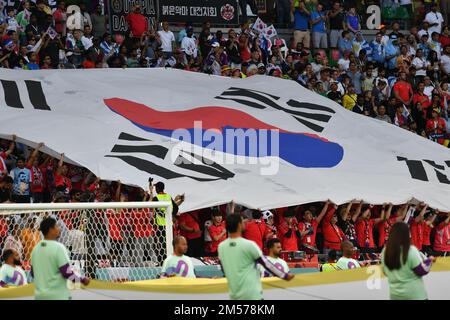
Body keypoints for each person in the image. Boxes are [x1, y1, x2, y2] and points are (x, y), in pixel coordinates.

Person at [218, 214, 294, 300]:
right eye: (243, 222)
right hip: (252, 294)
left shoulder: (221, 246)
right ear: (239, 225)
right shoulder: (249, 245)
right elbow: (266, 264)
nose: (245, 224)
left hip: (234, 294)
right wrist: (284, 276)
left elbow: (224, 268)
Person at [31, 217, 90, 300]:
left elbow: (33, 273)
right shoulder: (58, 247)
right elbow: (66, 272)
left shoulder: (35, 249)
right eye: (56, 226)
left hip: (40, 296)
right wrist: (82, 279)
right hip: (57, 296)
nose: (59, 229)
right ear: (51, 230)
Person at [381, 222, 435, 300]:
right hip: (415, 295)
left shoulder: (385, 252)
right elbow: (421, 271)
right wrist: (429, 261)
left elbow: (385, 272)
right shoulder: (411, 250)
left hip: (395, 296)